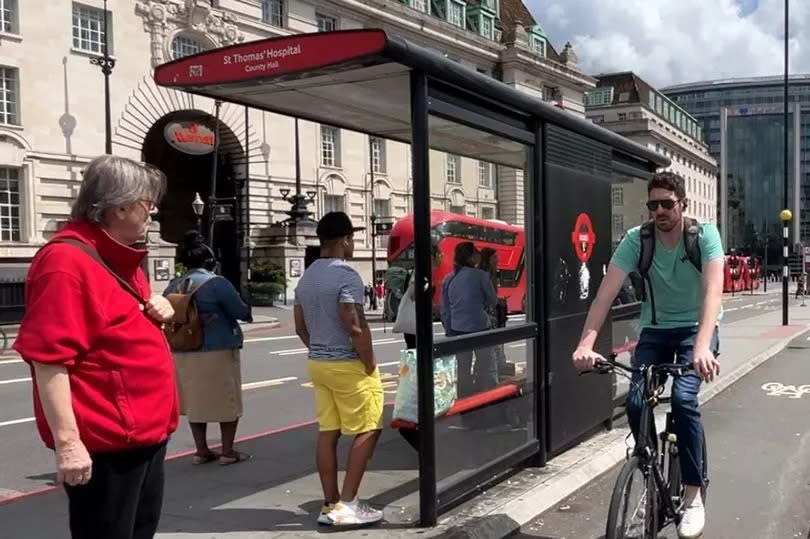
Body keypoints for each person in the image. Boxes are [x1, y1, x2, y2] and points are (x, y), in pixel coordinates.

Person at [14, 155, 178, 539]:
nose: (152, 211)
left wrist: (159, 308)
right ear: (119, 206)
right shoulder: (66, 263)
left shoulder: (117, 257)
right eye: (146, 201)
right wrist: (68, 445)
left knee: (139, 529)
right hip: (109, 441)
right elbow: (49, 360)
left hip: (144, 433)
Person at [572, 171, 723, 539]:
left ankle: (692, 494)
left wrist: (702, 347)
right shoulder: (636, 241)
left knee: (685, 401)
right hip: (655, 330)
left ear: (682, 204)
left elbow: (712, 293)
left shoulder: (703, 236)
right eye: (653, 204)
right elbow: (604, 296)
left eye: (667, 204)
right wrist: (585, 344)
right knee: (637, 401)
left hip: (695, 330)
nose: (659, 211)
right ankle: (648, 462)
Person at [293, 211, 384, 527]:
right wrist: (369, 361)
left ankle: (330, 502)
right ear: (344, 240)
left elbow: (300, 328)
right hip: (347, 363)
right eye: (352, 238)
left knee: (328, 432)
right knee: (369, 427)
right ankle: (349, 503)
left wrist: (320, 349)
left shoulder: (306, 278)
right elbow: (353, 322)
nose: (353, 244)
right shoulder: (347, 275)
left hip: (319, 363)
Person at [164, 231, 253, 466]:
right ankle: (227, 451)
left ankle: (202, 450)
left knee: (195, 403)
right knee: (228, 401)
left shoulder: (174, 284)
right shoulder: (217, 284)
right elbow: (241, 311)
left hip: (183, 350)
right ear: (210, 262)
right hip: (218, 348)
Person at [441, 241, 499, 398]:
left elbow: (445, 309)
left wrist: (448, 329)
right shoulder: (481, 276)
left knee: (462, 368)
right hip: (479, 325)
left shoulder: (449, 279)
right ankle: (485, 396)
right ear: (471, 257)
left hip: (457, 328)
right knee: (485, 365)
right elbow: (493, 300)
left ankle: (464, 398)